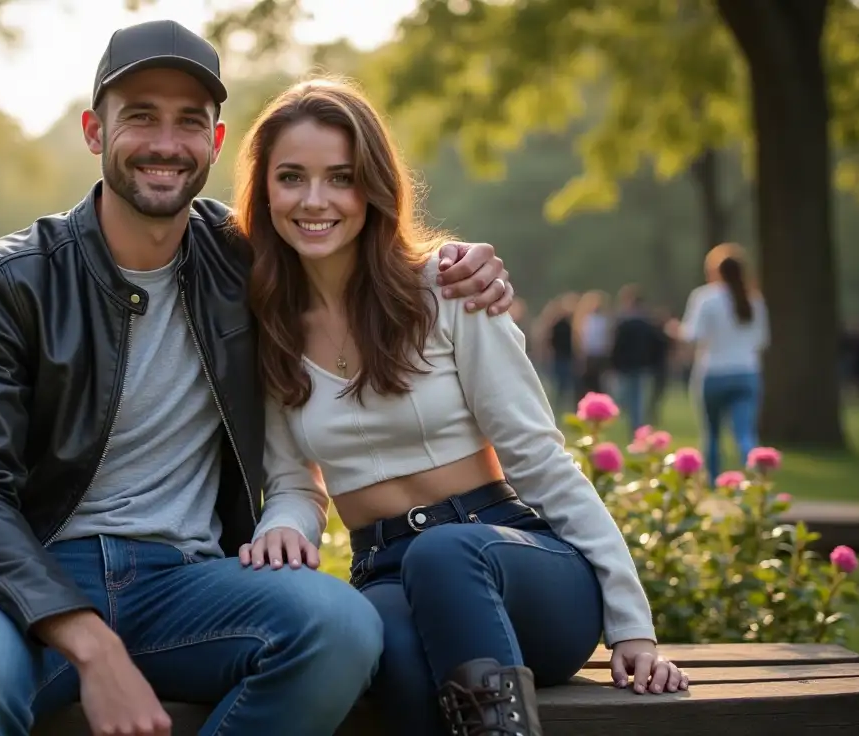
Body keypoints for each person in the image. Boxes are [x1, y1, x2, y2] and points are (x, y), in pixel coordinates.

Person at [0, 20, 516, 736]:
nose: (166, 143)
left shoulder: (247, 261)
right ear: (94, 131)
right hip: (22, 580)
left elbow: (362, 256)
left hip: (185, 582)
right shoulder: (15, 281)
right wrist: (93, 645)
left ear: (215, 144)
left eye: (189, 122)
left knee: (341, 627)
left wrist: (456, 265)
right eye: (140, 117)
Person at [235, 78, 685, 736]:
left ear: (374, 187)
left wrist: (632, 628)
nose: (314, 200)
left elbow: (537, 456)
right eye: (292, 177)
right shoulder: (267, 323)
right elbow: (293, 481)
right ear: (264, 190)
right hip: (384, 570)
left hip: (519, 566)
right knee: (383, 647)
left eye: (340, 177)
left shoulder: (443, 290)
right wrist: (286, 529)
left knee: (442, 553)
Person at [673, 242, 769, 482]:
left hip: (713, 372)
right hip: (746, 372)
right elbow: (762, 340)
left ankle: (715, 483)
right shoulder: (754, 300)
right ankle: (756, 479)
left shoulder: (705, 298)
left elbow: (692, 335)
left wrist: (674, 329)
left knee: (712, 435)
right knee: (745, 434)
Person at [610, 284, 663, 433]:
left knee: (624, 396)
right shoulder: (648, 324)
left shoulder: (623, 323)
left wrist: (614, 364)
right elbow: (656, 345)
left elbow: (617, 346)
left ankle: (634, 425)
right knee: (638, 399)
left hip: (626, 366)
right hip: (642, 365)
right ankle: (637, 427)